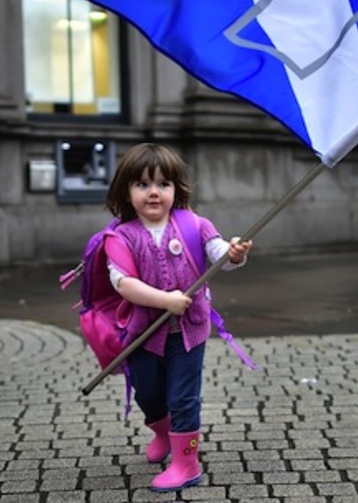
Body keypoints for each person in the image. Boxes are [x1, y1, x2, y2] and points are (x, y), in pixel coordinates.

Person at [103, 143, 251, 492]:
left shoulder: (193, 224)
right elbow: (123, 283)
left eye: (163, 184)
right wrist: (164, 300)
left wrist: (233, 253)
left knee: (183, 397)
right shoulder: (120, 236)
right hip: (143, 333)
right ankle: (162, 432)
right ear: (126, 190)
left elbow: (218, 255)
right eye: (142, 184)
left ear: (176, 189)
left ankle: (186, 463)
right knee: (148, 394)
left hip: (189, 331)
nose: (154, 192)